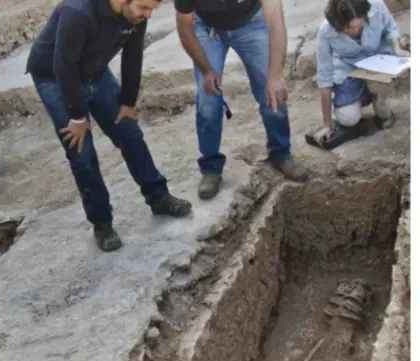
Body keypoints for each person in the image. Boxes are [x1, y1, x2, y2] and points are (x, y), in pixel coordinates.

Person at [26, 0, 193, 252]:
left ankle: (158, 197)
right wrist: (78, 117)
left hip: (96, 71)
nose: (147, 15)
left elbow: (133, 55)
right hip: (55, 77)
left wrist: (128, 102)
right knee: (81, 153)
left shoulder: (136, 15)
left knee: (130, 132)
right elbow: (64, 66)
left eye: (151, 9)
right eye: (144, 7)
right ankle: (102, 223)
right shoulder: (78, 11)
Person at [174, 0, 308, 200]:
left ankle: (281, 153)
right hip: (207, 28)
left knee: (272, 91)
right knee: (208, 102)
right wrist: (206, 70)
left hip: (251, 23)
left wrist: (275, 75)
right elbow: (184, 26)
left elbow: (276, 23)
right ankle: (211, 167)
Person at [314, 0, 410, 144]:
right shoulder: (326, 31)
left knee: (383, 111)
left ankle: (379, 101)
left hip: (379, 62)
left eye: (360, 26)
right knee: (348, 119)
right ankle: (355, 99)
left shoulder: (376, 6)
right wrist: (326, 125)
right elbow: (324, 78)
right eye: (349, 28)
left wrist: (396, 48)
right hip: (347, 69)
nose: (355, 31)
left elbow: (390, 28)